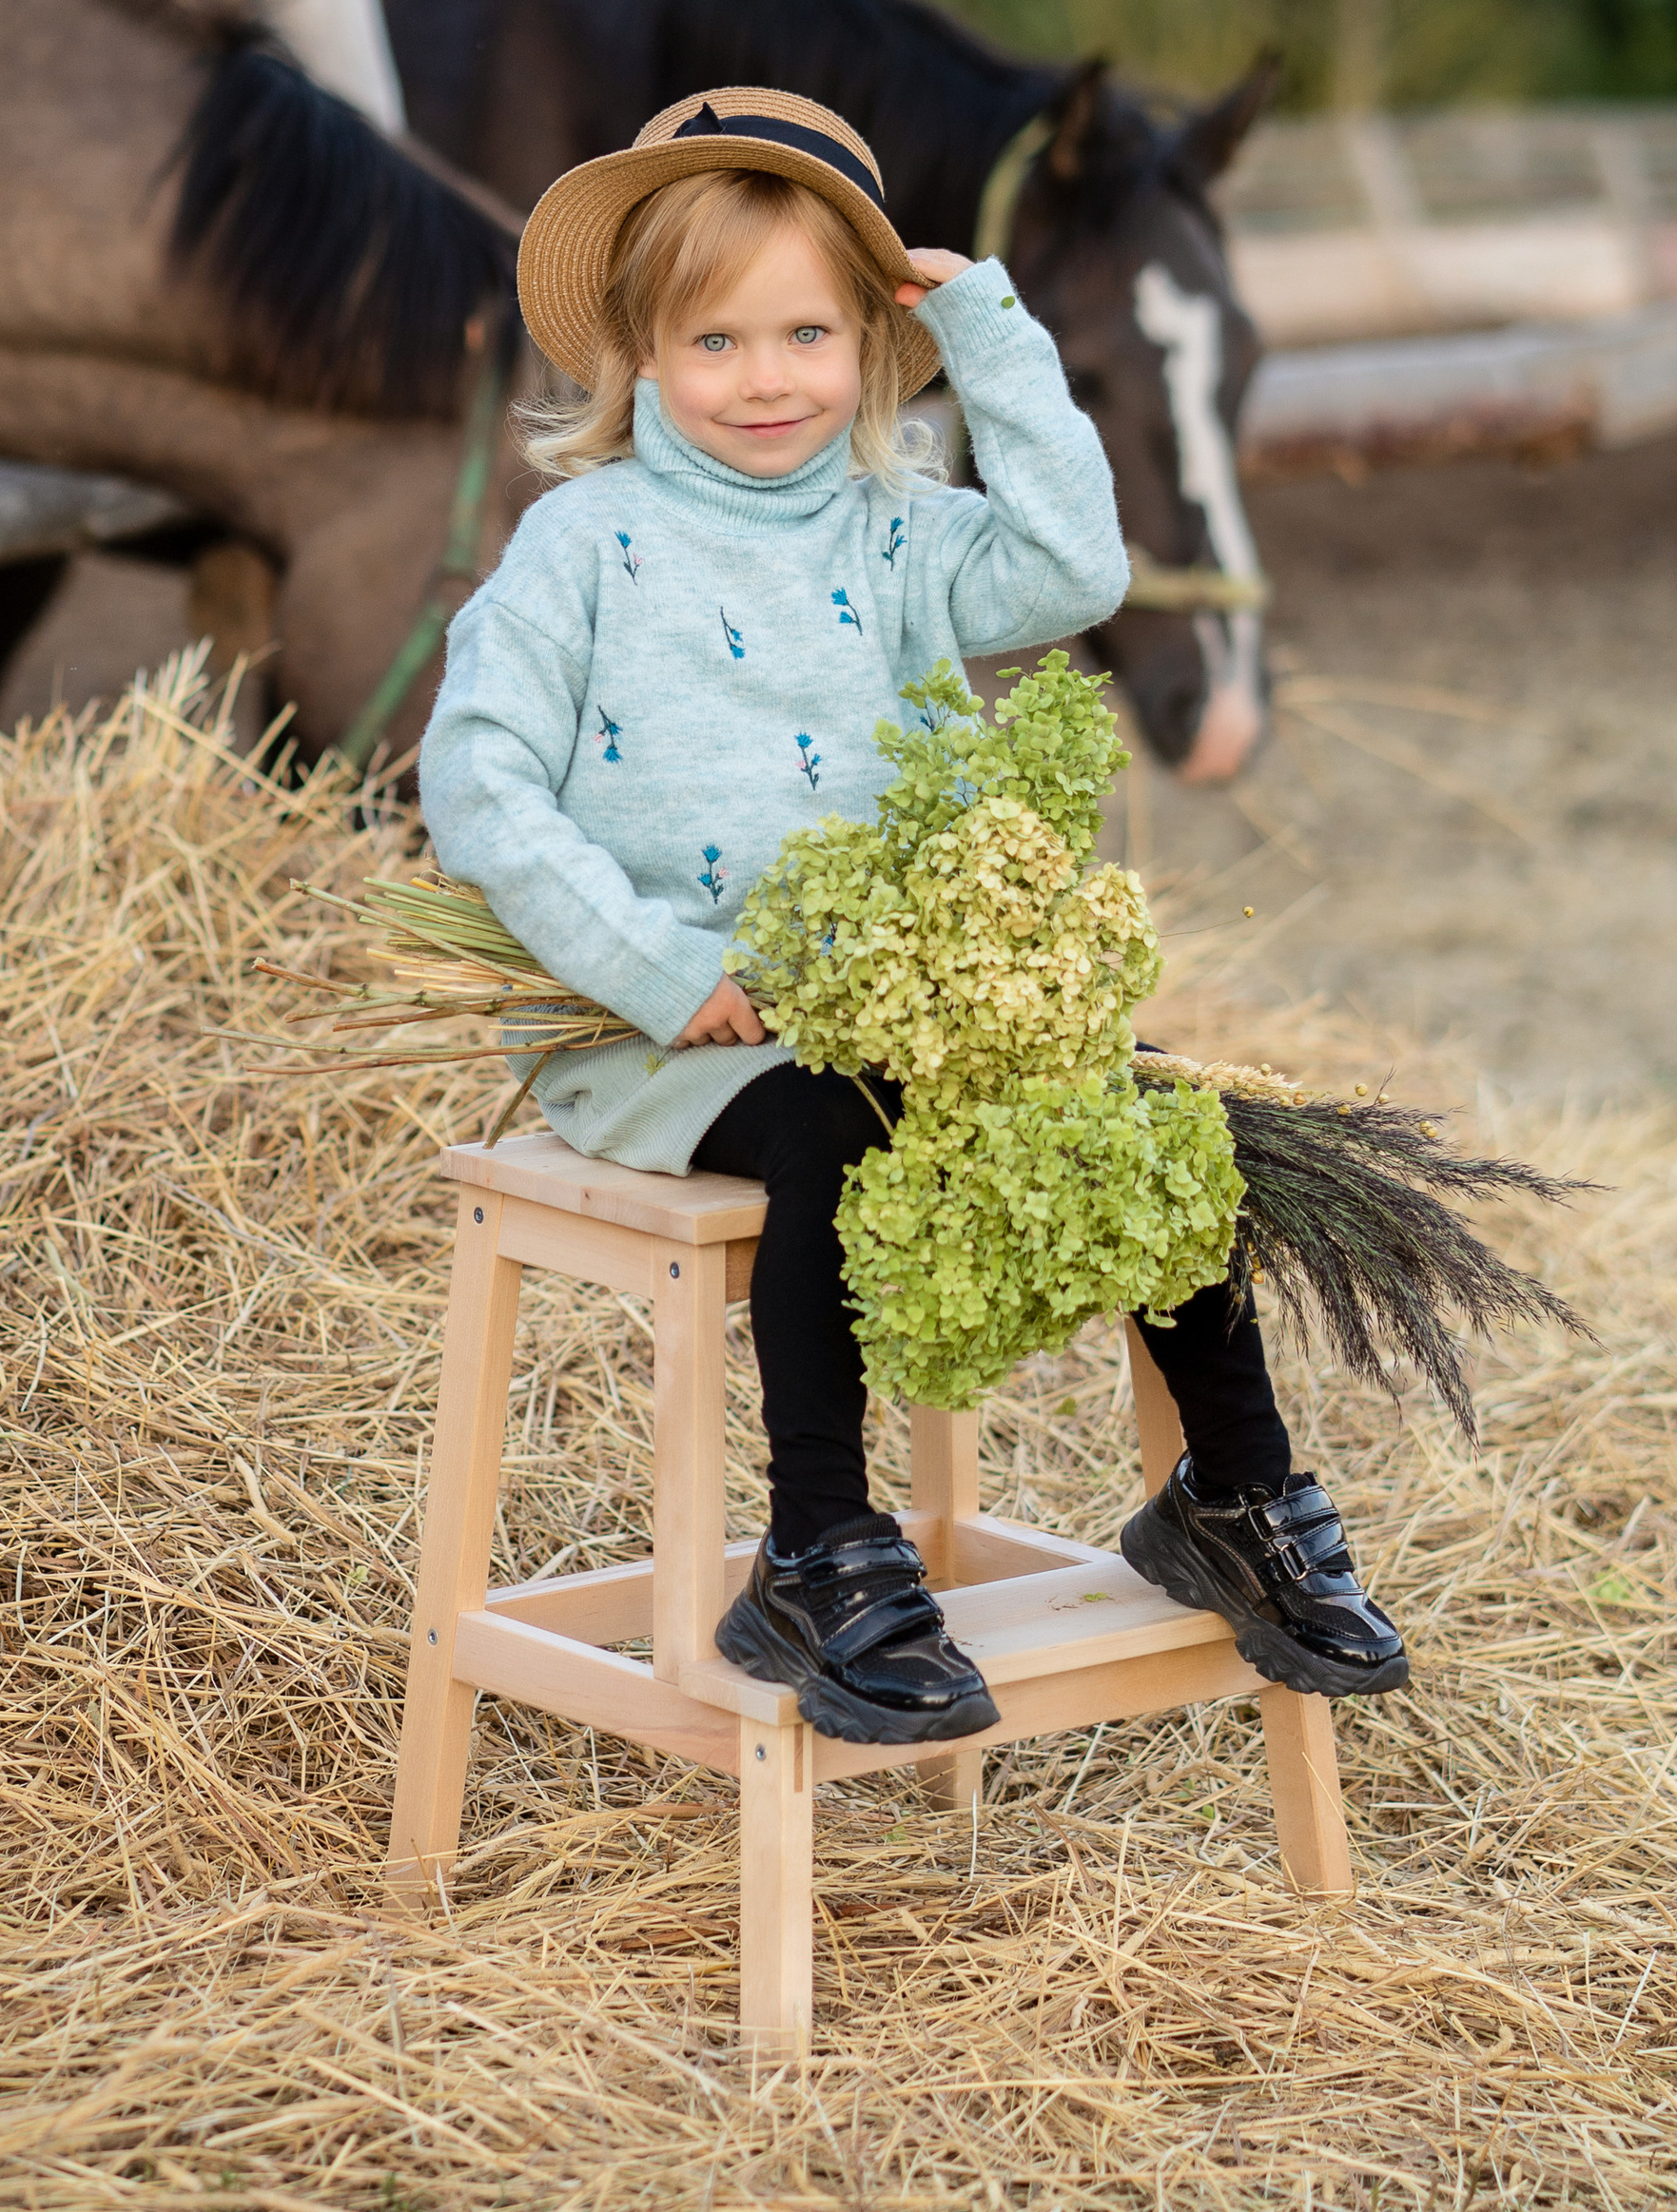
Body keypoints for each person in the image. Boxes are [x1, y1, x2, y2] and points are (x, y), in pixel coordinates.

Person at [419, 86, 1408, 1749]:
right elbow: (477, 778)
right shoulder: (583, 543)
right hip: (674, 1028)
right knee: (833, 1130)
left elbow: (1081, 570)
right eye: (716, 341)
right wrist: (659, 968)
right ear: (640, 357)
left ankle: (1235, 1495)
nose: (767, 378)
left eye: (808, 334)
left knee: (1152, 1116)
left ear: (877, 348)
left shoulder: (902, 529)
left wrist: (995, 337)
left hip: (907, 1010)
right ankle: (821, 1544)